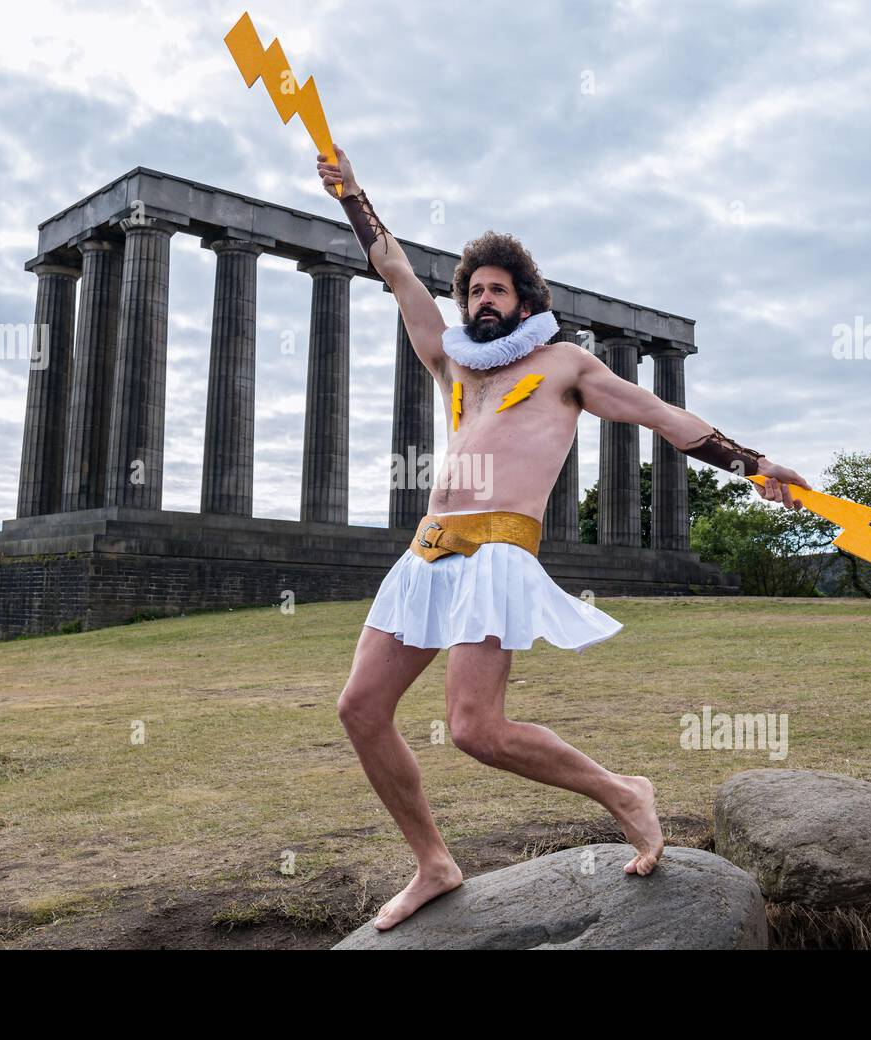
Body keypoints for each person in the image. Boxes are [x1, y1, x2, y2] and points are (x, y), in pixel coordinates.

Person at [317, 145, 812, 930]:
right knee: (359, 709)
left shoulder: (564, 366)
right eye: (474, 289)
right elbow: (398, 273)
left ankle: (622, 790)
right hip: (426, 553)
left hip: (496, 554)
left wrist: (752, 464)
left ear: (524, 300)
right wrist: (352, 195)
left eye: (497, 289)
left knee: (476, 729)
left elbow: (660, 416)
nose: (483, 299)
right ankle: (434, 864)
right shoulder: (453, 365)